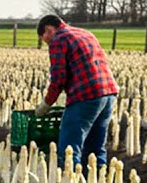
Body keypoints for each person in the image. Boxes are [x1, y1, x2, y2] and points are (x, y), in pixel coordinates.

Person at [35, 14, 118, 169]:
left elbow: (58, 78)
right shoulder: (85, 33)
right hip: (108, 94)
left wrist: (46, 104)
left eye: (44, 39)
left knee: (69, 148)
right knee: (96, 147)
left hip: (86, 96)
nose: (47, 43)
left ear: (48, 30)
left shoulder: (59, 40)